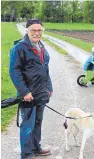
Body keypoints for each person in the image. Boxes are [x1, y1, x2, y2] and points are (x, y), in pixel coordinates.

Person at [9, 19, 53, 159]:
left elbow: (45, 69)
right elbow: (14, 72)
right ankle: (27, 154)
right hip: (28, 94)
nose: (36, 33)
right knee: (28, 125)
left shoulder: (42, 47)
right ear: (27, 31)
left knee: (38, 122)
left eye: (39, 30)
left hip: (41, 93)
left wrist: (49, 87)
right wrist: (24, 92)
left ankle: (36, 147)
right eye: (33, 30)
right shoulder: (19, 48)